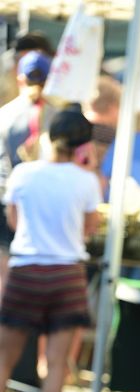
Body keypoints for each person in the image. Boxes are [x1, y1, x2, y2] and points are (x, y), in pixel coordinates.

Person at [0, 106, 101, 392]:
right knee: (57, 364)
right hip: (66, 274)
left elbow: (13, 221)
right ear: (82, 145)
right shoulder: (86, 180)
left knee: (3, 360)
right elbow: (90, 228)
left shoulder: (24, 173)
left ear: (48, 135)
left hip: (25, 270)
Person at [0, 50, 55, 298]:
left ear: (20, 78)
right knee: (40, 276)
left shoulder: (4, 114)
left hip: (7, 200)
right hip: (45, 204)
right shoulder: (57, 116)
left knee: (6, 274)